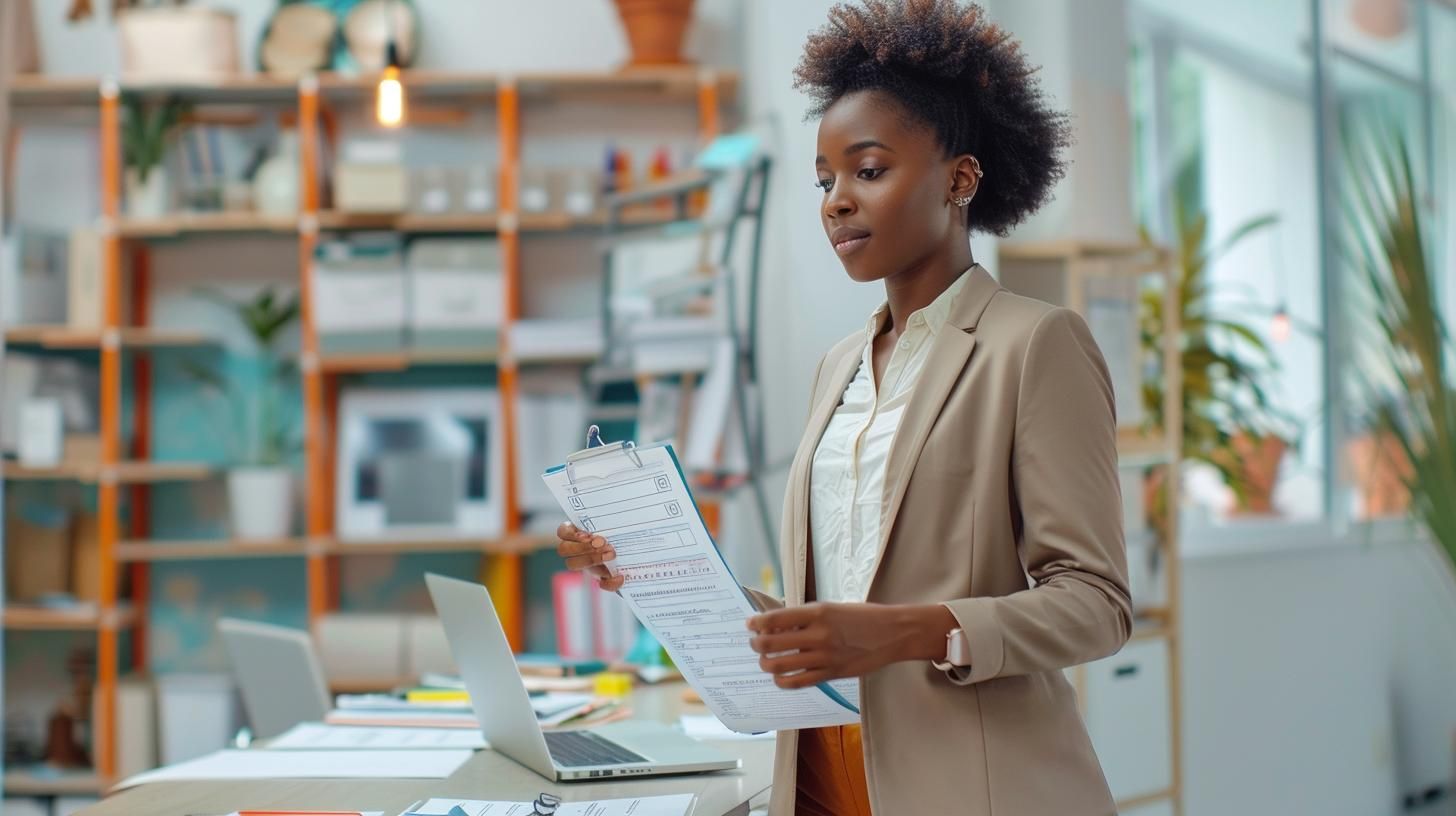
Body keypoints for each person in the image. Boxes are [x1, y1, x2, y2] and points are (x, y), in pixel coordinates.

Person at [556, 1, 1131, 813]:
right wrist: (649, 569)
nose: (835, 201)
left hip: (970, 787)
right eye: (825, 180)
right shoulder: (838, 368)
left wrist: (901, 632)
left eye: (868, 171)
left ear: (960, 178)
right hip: (822, 777)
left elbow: (1096, 606)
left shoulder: (1035, 344)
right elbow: (826, 615)